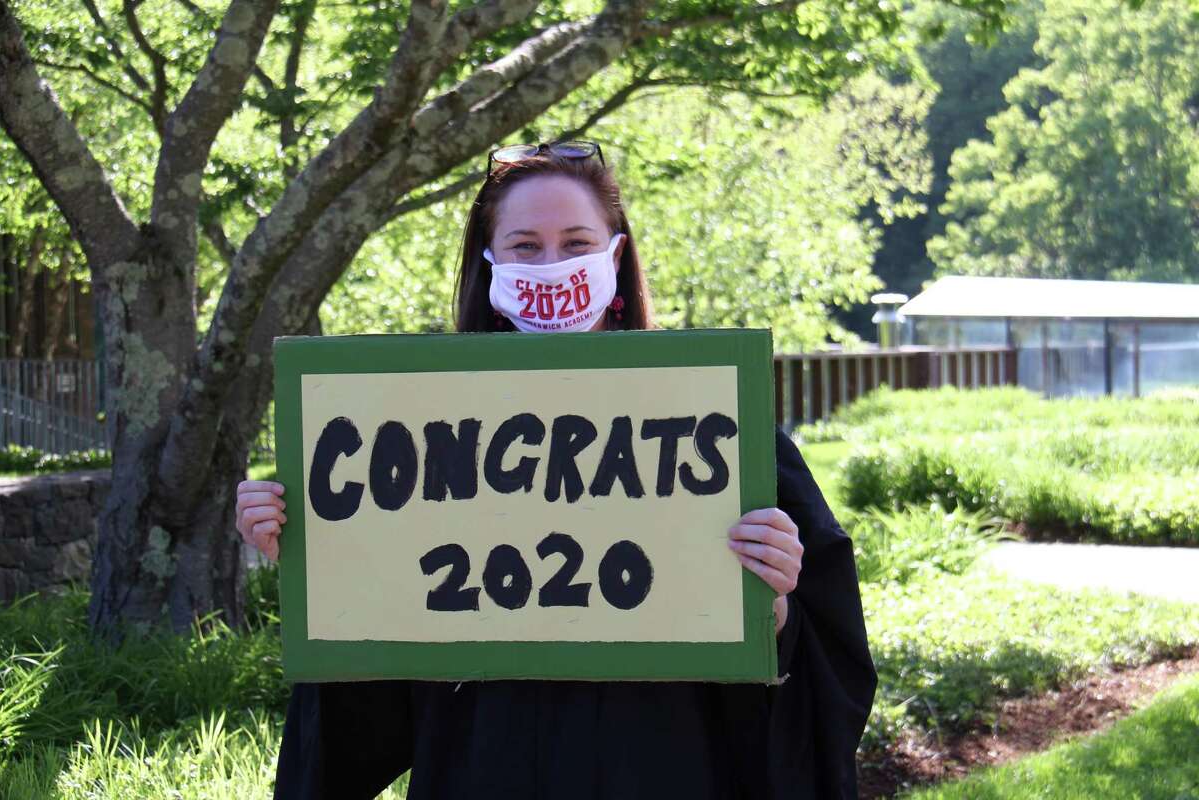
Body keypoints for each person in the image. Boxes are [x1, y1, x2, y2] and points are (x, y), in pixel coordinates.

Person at [237, 141, 877, 799]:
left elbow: (817, 679)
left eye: (576, 243)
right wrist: (313, 544)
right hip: (479, 771)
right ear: (489, 267)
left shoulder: (722, 428)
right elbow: (365, 689)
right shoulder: (409, 435)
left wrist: (771, 609)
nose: (552, 267)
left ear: (616, 257)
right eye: (524, 246)